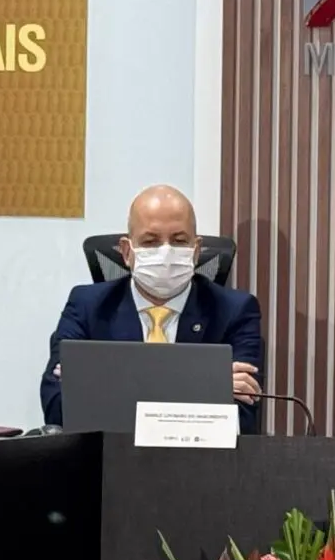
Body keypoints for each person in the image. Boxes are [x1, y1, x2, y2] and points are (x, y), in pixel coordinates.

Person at [41, 184, 263, 429]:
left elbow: (242, 417)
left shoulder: (235, 310)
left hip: (194, 453)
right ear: (127, 251)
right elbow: (57, 408)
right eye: (150, 241)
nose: (166, 252)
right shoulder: (87, 306)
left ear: (196, 250)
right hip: (106, 452)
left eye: (179, 241)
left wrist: (103, 385)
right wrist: (205, 386)